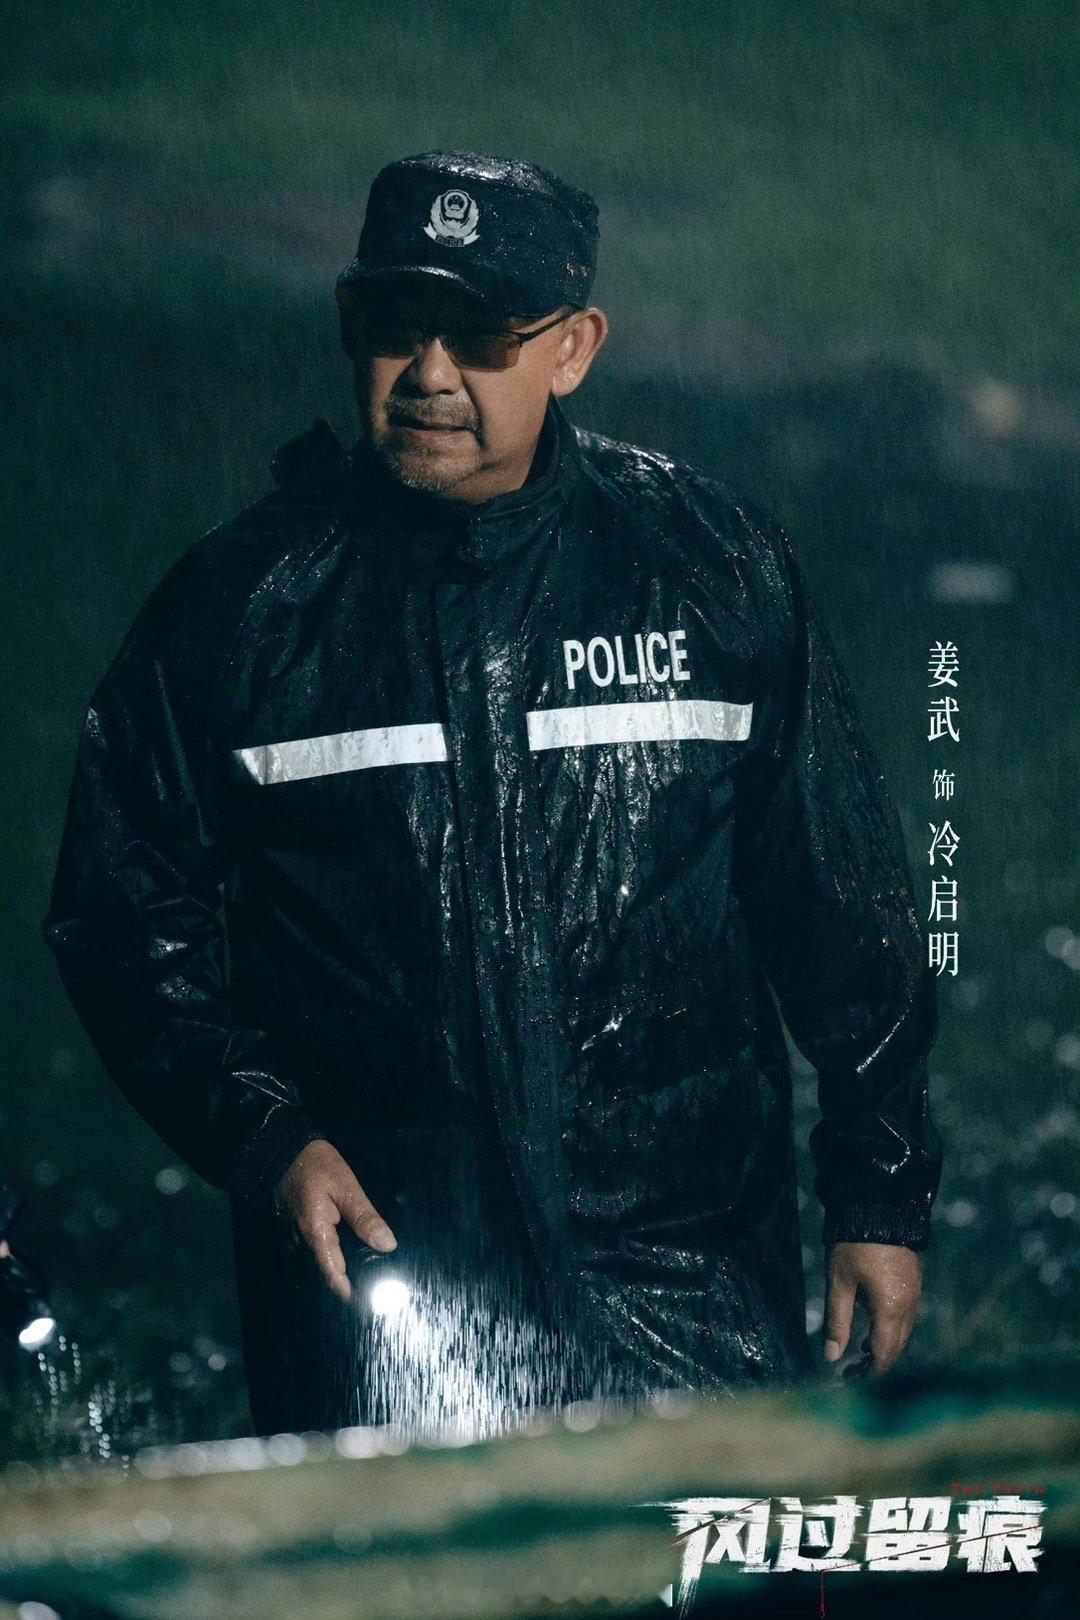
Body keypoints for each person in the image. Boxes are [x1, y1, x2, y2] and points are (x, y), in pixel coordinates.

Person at [43, 151, 942, 1438]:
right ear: (347, 325)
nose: (429, 374)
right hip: (388, 1285)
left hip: (684, 1276)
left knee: (697, 1546)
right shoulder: (240, 612)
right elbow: (123, 914)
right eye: (394, 326)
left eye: (479, 336)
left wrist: (879, 1199)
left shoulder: (712, 568)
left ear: (573, 348)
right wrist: (266, 1136)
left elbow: (844, 905)